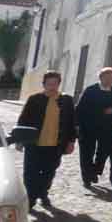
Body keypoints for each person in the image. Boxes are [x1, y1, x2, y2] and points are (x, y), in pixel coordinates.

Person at [17, 71, 76, 210]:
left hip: (56, 144)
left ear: (58, 84)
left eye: (55, 83)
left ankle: (43, 193)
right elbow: (23, 119)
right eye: (49, 84)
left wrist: (71, 141)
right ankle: (31, 199)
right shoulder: (34, 99)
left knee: (49, 172)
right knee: (31, 173)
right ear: (44, 84)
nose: (52, 87)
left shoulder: (66, 100)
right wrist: (19, 139)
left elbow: (72, 122)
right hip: (34, 143)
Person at [75, 67, 112, 188]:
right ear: (101, 77)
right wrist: (77, 126)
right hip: (88, 127)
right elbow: (81, 108)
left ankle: (95, 170)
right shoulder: (90, 90)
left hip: (107, 128)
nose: (110, 80)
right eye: (107, 77)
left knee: (104, 152)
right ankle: (87, 177)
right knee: (86, 153)